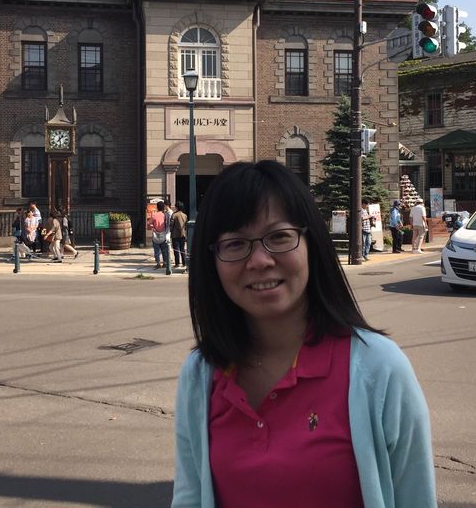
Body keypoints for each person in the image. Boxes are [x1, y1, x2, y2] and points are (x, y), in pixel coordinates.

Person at [172, 161, 436, 508]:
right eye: (235, 244)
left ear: (311, 242)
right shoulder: (201, 374)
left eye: (279, 236)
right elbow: (189, 496)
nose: (261, 260)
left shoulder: (379, 369)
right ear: (213, 260)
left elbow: (415, 498)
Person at [148, 201, 170, 269]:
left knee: (156, 250)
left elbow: (149, 224)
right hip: (164, 234)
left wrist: (152, 226)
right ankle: (165, 263)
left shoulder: (154, 215)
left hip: (155, 235)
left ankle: (158, 263)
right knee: (164, 250)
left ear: (157, 207)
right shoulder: (165, 215)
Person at [170, 201, 188, 267]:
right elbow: (186, 226)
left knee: (176, 249)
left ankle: (177, 263)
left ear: (176, 207)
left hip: (175, 235)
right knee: (182, 249)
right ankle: (184, 263)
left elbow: (171, 225)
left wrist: (170, 230)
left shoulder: (174, 215)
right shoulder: (185, 215)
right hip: (183, 234)